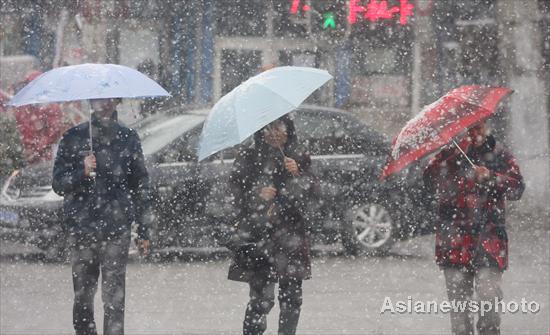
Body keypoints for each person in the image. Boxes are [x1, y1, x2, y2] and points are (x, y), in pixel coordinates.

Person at [52, 98, 151, 335]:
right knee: (83, 297)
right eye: (99, 99)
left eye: (110, 99)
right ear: (90, 101)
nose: (104, 104)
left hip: (116, 229)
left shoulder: (128, 138)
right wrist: (81, 171)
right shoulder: (74, 137)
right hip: (82, 229)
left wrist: (144, 229)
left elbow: (141, 185)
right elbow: (58, 184)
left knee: (114, 298)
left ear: (117, 101)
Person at [423, 120, 524, 335]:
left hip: (489, 241)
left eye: (479, 126)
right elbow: (429, 183)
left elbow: (517, 188)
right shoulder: (448, 155)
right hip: (454, 242)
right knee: (460, 316)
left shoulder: (499, 154)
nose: (474, 132)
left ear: (488, 126)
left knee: (489, 303)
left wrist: (491, 178)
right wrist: (450, 156)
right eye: (469, 128)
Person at [227, 115, 317, 335]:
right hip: (260, 236)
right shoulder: (248, 156)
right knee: (261, 299)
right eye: (268, 127)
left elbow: (314, 196)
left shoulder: (299, 157)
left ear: (289, 130)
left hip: (291, 236)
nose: (274, 132)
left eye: (280, 127)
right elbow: (234, 194)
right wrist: (258, 197)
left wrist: (297, 173)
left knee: (292, 297)